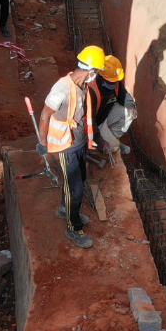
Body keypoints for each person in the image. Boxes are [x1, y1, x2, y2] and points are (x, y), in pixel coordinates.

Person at [36, 45, 105, 249]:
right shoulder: (62, 88)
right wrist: (42, 143)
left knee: (80, 180)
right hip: (66, 145)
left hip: (79, 142)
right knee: (74, 189)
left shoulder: (82, 84)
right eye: (97, 72)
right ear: (91, 71)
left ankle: (63, 210)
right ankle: (73, 228)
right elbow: (45, 114)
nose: (97, 76)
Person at [94, 55, 137, 156]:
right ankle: (100, 142)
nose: (115, 84)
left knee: (129, 113)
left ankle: (113, 139)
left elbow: (124, 94)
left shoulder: (115, 80)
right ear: (101, 77)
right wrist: (97, 137)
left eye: (116, 81)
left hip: (105, 114)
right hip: (94, 124)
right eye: (111, 81)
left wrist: (130, 106)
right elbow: (87, 119)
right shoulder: (92, 89)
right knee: (113, 148)